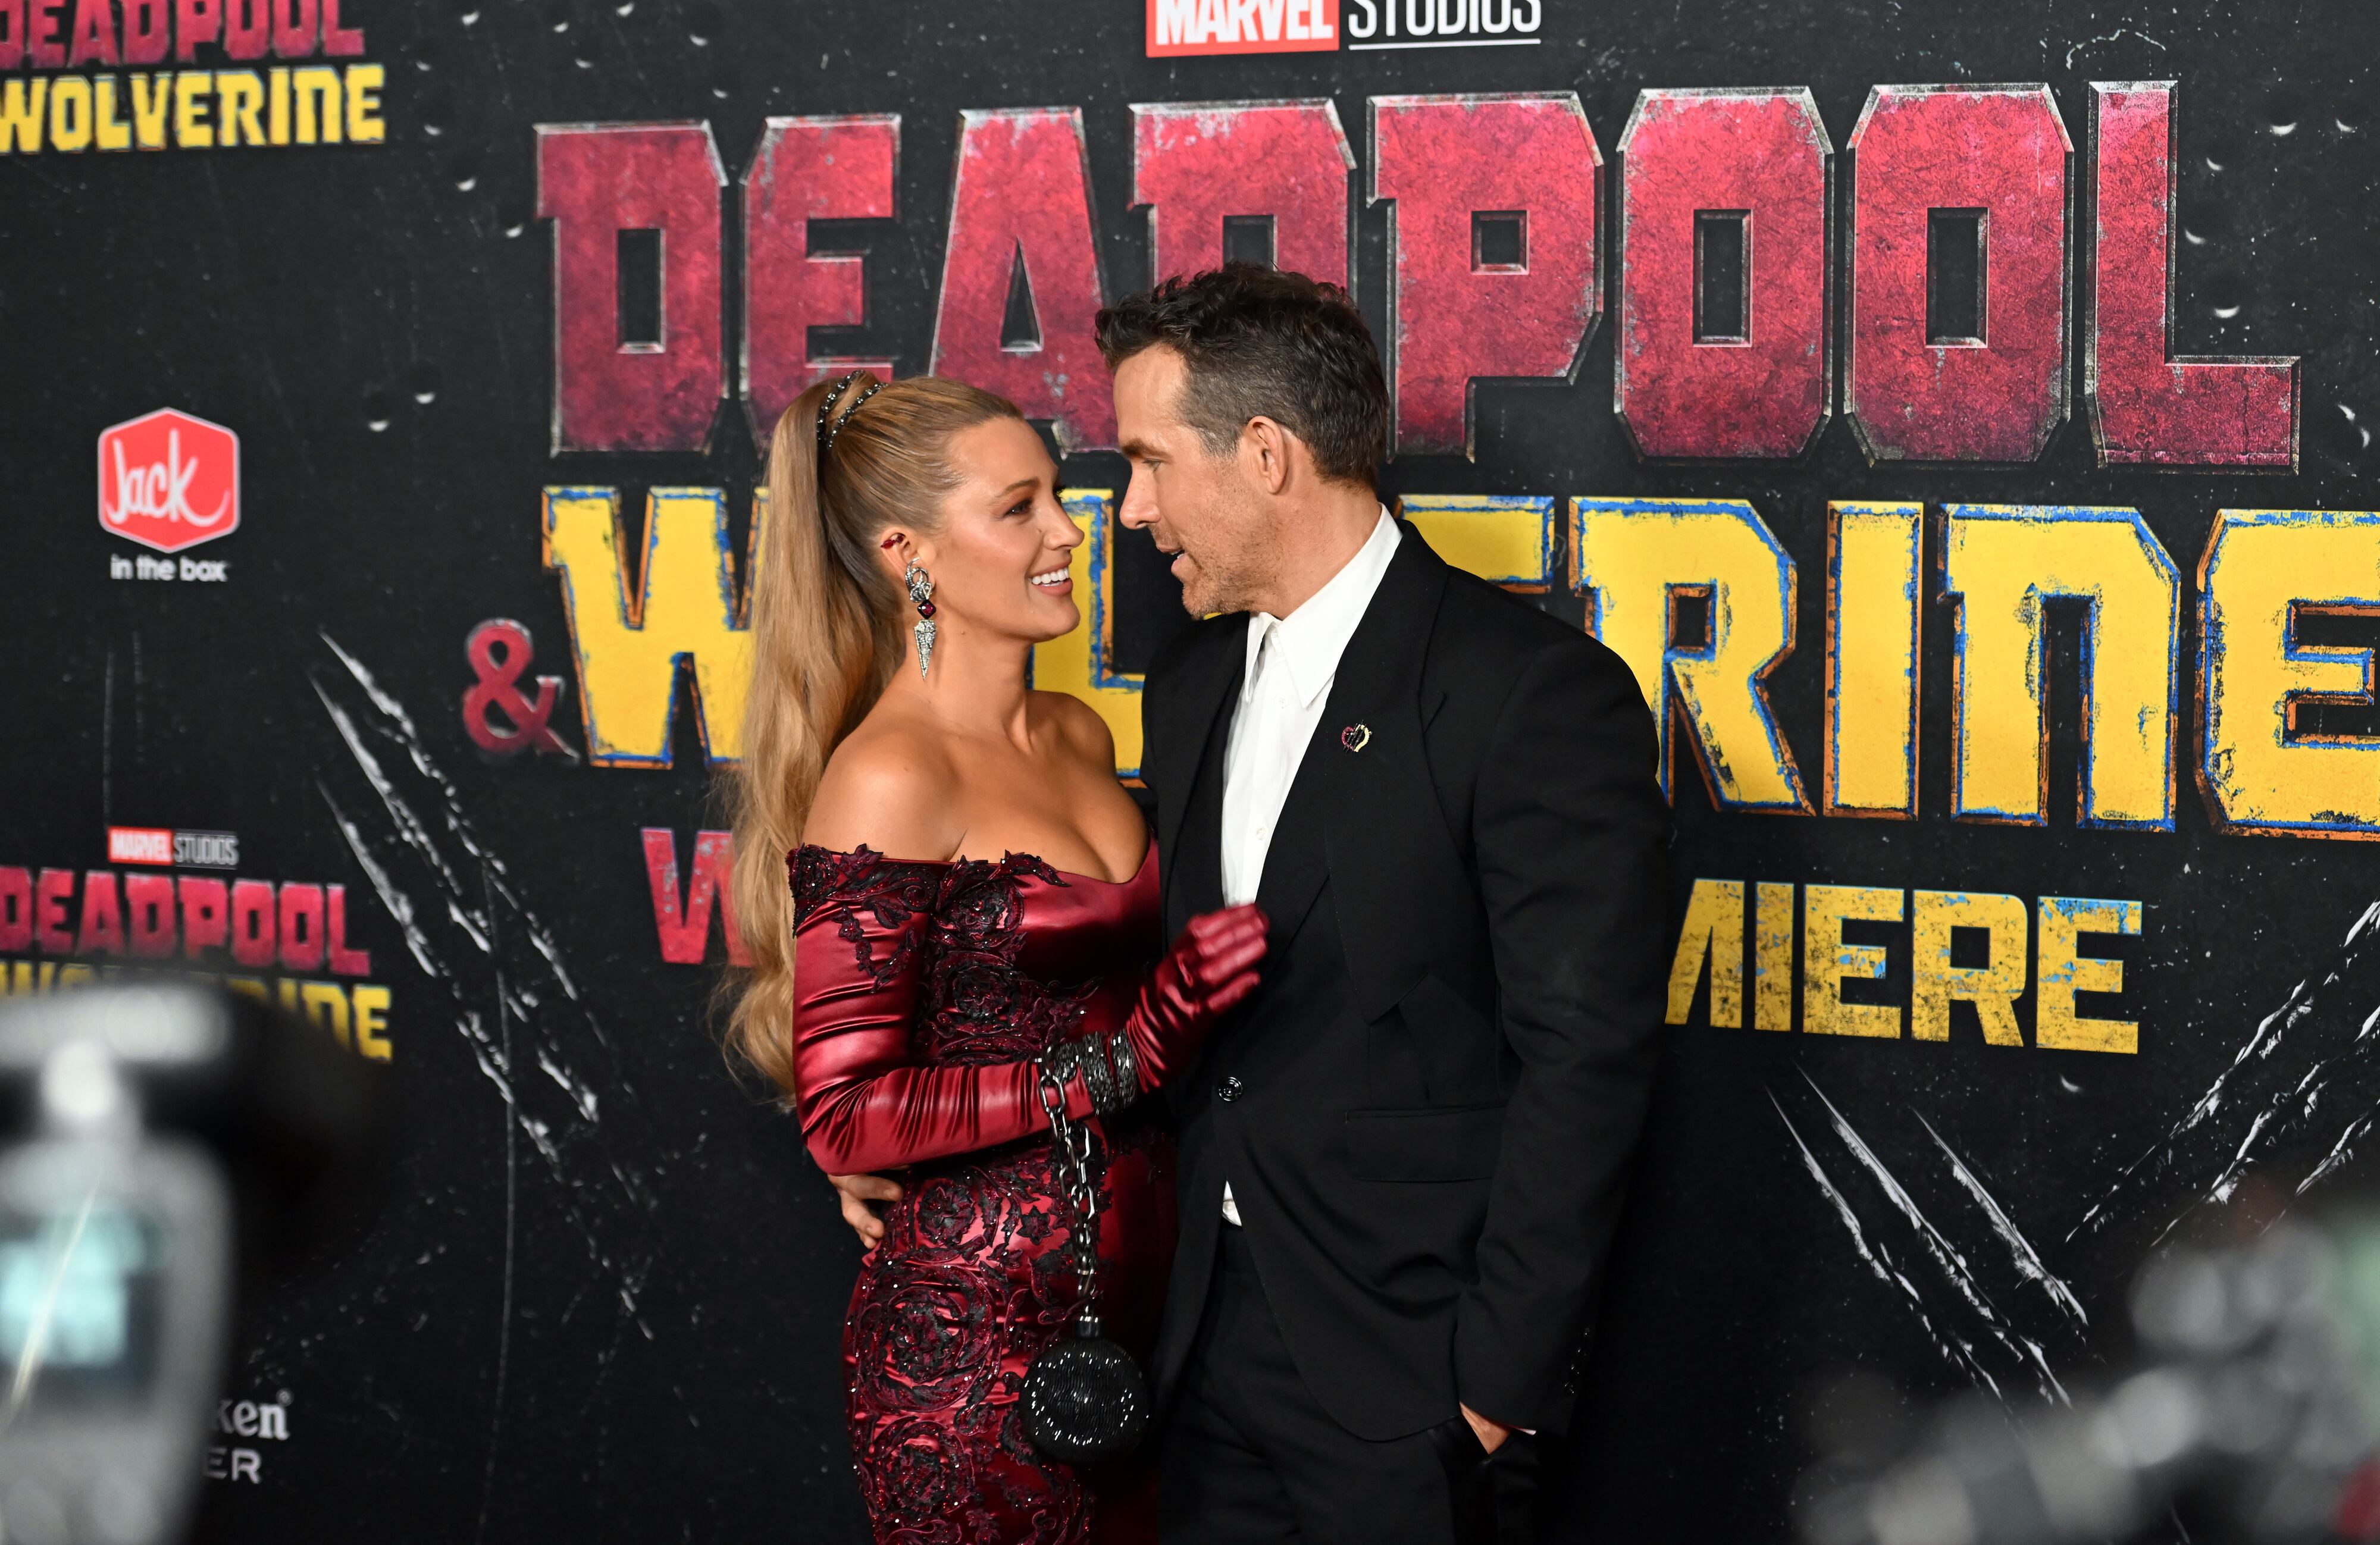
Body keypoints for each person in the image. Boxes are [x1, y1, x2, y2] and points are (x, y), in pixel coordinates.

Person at [832, 265, 1668, 1544]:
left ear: (1266, 455)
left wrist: (1493, 1393)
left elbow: (1586, 1061)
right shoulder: (1189, 682)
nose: (1129, 511)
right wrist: (896, 1119)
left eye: (1150, 463)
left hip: (1407, 1378)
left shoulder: (1529, 695)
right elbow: (1123, 976)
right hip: (1188, 1350)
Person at [726, 370, 1269, 1545]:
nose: (1067, 531)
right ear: (907, 555)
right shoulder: (891, 775)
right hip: (975, 1356)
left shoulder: (1080, 733)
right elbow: (844, 1117)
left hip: (1149, 1321)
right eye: (1018, 508)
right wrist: (1119, 1063)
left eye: (1057, 495)